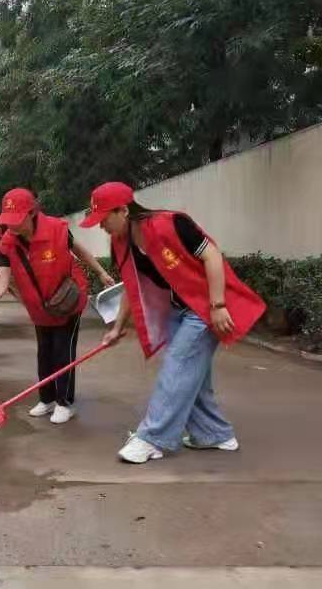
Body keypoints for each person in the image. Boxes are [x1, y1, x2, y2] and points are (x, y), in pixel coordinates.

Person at [81, 182, 265, 463]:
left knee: (177, 367)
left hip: (204, 307)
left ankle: (153, 437)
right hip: (178, 311)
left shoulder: (171, 224)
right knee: (192, 376)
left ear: (123, 210)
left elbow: (212, 256)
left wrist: (217, 305)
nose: (101, 226)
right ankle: (215, 434)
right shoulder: (121, 241)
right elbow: (132, 285)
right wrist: (118, 327)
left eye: (104, 218)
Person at [0, 188, 115, 425]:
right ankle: (47, 399)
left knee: (63, 352)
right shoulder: (8, 243)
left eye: (17, 220)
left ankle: (64, 403)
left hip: (68, 301)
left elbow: (78, 250)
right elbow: (2, 281)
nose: (13, 226)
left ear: (32, 213)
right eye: (8, 221)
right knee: (44, 353)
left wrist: (100, 272)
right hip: (40, 307)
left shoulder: (56, 229)